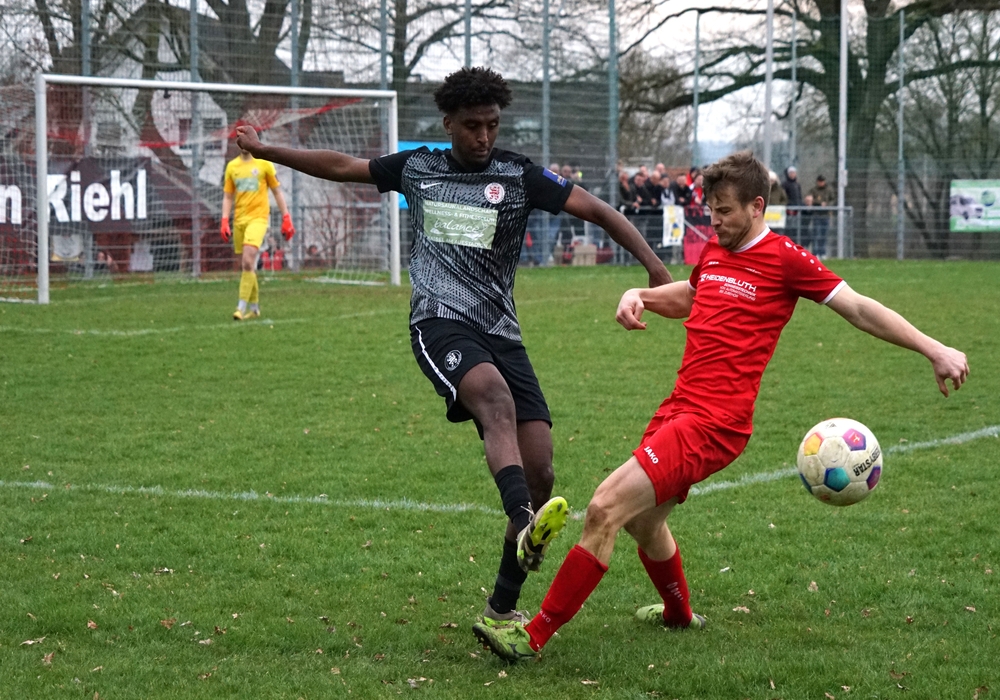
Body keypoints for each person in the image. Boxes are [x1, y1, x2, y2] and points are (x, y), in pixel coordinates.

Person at [472, 150, 969, 662]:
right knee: (644, 522)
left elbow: (860, 308)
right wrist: (640, 294)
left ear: (757, 207)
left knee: (604, 508)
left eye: (726, 211)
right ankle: (679, 615)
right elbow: (693, 295)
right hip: (679, 407)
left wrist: (933, 349)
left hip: (715, 423)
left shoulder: (786, 260)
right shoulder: (715, 251)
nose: (715, 221)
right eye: (711, 210)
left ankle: (531, 636)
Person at [235, 66, 672, 629]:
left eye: (492, 125)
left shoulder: (517, 175)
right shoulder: (418, 168)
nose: (483, 136)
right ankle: (524, 519)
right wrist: (265, 149)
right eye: (472, 126)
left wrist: (656, 271)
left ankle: (500, 607)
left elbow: (601, 211)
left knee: (540, 471)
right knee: (495, 402)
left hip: (502, 331)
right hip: (438, 323)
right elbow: (342, 166)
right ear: (448, 124)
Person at [221, 141, 294, 320]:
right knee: (248, 265)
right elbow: (228, 196)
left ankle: (240, 307)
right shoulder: (232, 167)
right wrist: (224, 220)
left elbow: (277, 192)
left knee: (247, 261)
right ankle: (254, 308)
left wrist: (286, 217)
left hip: (259, 219)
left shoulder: (264, 164)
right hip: (239, 221)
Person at [808, 175, 833, 257]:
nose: (821, 183)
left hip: (826, 215)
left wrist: (827, 204)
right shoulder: (813, 190)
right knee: (816, 234)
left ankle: (823, 252)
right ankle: (815, 252)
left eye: (822, 181)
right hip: (817, 214)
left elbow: (833, 199)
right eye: (819, 181)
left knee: (824, 235)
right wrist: (819, 203)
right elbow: (809, 199)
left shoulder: (829, 190)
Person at [782, 166, 803, 244]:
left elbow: (799, 196)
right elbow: (784, 197)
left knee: (796, 229)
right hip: (789, 210)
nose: (792, 174)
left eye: (794, 173)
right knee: (789, 228)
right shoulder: (785, 185)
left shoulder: (797, 185)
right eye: (791, 173)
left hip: (797, 210)